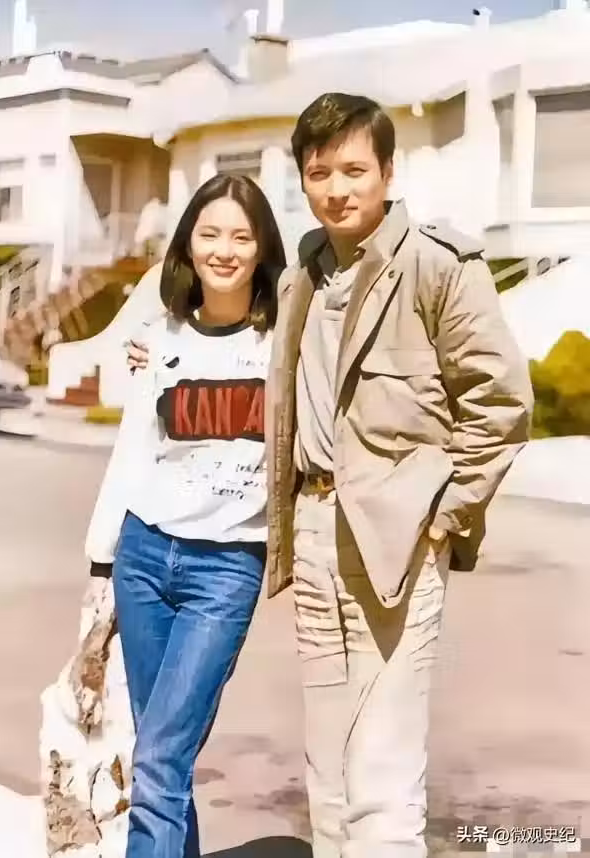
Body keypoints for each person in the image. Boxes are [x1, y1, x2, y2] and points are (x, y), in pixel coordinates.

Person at [125, 93, 534, 858]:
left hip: (398, 540)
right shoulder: (303, 276)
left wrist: (445, 516)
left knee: (382, 773)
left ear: (387, 172)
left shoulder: (437, 266)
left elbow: (502, 404)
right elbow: (231, 332)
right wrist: (158, 347)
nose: (337, 189)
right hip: (313, 534)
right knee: (330, 769)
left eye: (354, 170)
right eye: (320, 173)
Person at [77, 172, 286, 858]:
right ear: (188, 244)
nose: (224, 250)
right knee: (159, 754)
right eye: (209, 234)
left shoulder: (284, 340)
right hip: (144, 555)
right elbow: (133, 448)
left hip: (225, 569)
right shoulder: (160, 335)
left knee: (161, 758)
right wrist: (101, 558)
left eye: (242, 236)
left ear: (263, 247)